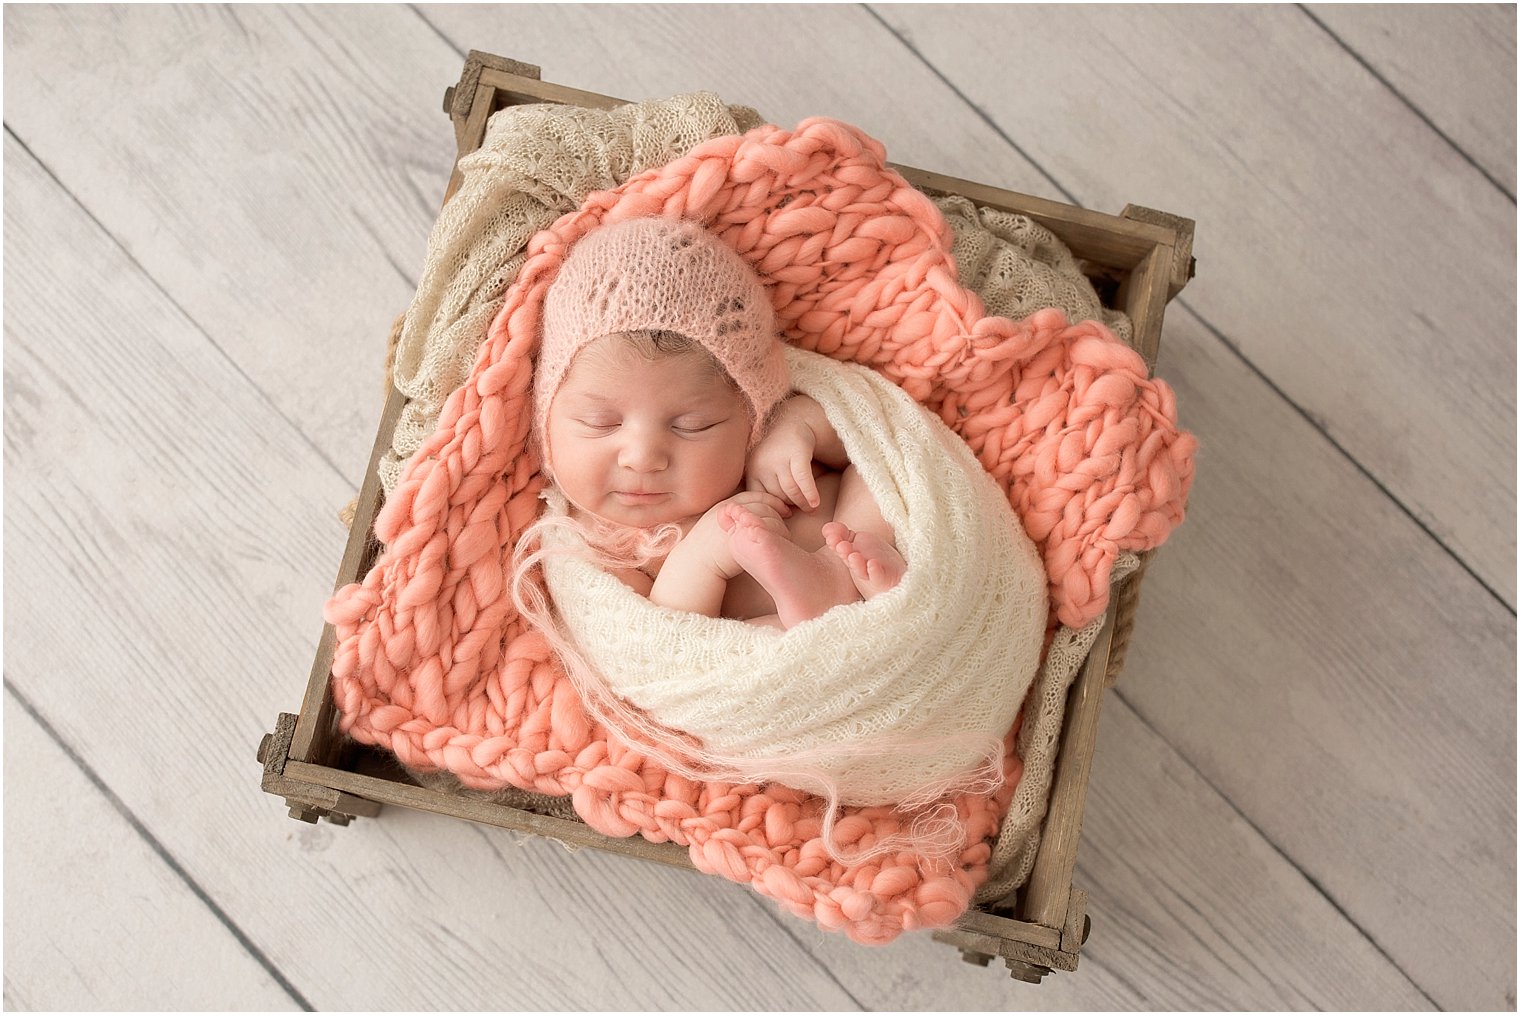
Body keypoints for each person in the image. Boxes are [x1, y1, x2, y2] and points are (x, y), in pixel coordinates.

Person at [532, 216, 906, 630]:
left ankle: (848, 577)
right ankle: (850, 607)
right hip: (782, 638)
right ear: (548, 418)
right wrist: (704, 557)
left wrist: (801, 428)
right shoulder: (592, 544)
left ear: (750, 416)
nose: (642, 458)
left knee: (884, 466)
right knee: (763, 640)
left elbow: (871, 430)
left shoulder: (762, 443)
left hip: (864, 558)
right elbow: (658, 643)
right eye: (600, 423)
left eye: (691, 426)